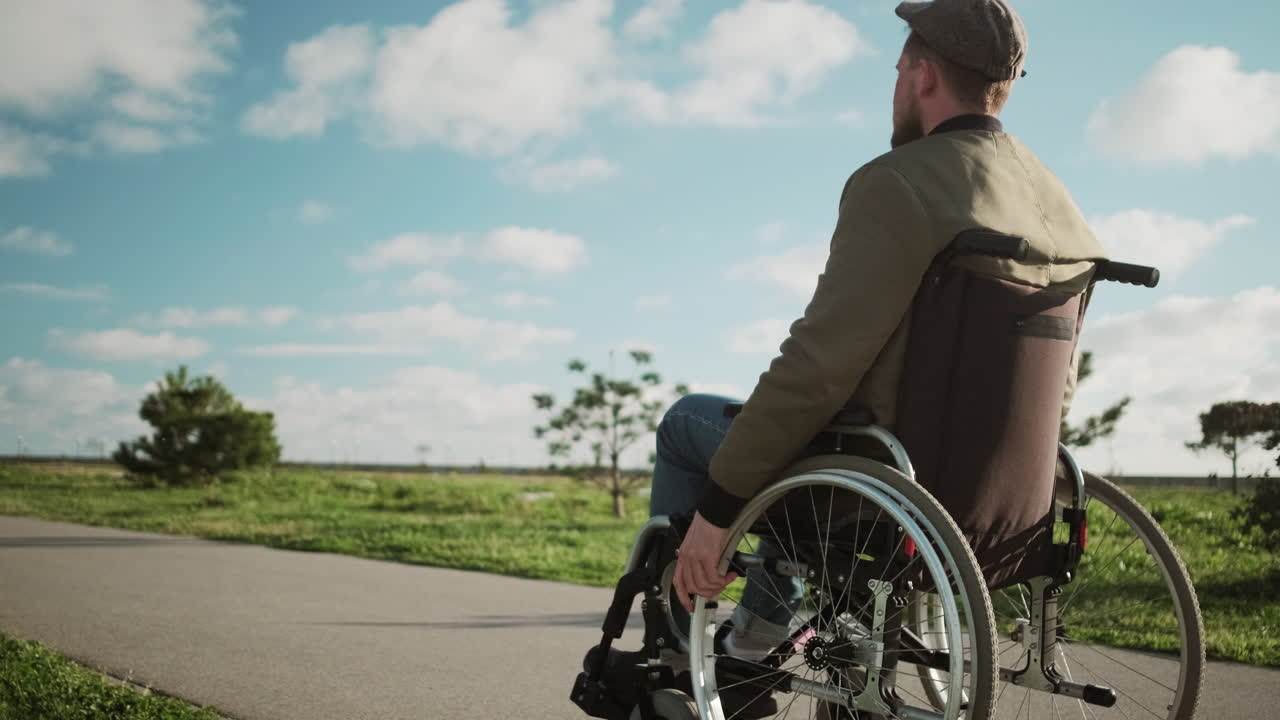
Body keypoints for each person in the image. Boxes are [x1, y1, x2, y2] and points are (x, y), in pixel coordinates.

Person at [650, 0, 1107, 713]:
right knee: (794, 436)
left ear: (923, 75)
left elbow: (817, 366)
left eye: (897, 68)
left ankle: (694, 649)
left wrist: (717, 511)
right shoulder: (1058, 203)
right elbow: (1060, 384)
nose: (895, 85)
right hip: (1011, 489)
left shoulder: (897, 183)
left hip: (881, 471)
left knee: (689, 425)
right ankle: (753, 630)